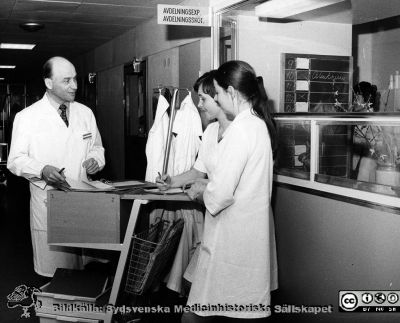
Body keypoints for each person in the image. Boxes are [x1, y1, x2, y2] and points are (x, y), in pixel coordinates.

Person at [181, 60, 278, 322]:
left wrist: (202, 189)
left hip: (230, 237)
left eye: (219, 94)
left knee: (199, 312)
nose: (218, 101)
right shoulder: (257, 125)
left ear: (232, 92)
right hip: (244, 236)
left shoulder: (241, 130)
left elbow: (220, 193)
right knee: (232, 309)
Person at [7, 56, 105, 278]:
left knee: (86, 270)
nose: (75, 86)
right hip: (49, 201)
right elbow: (15, 160)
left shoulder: (85, 113)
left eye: (76, 80)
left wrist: (95, 160)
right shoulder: (27, 117)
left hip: (83, 199)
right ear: (49, 83)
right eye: (67, 81)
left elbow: (97, 148)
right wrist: (41, 169)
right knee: (56, 272)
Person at [156, 70, 231, 190]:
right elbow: (198, 172)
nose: (199, 105)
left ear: (217, 96)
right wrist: (170, 182)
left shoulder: (237, 132)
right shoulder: (210, 131)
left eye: (203, 99)